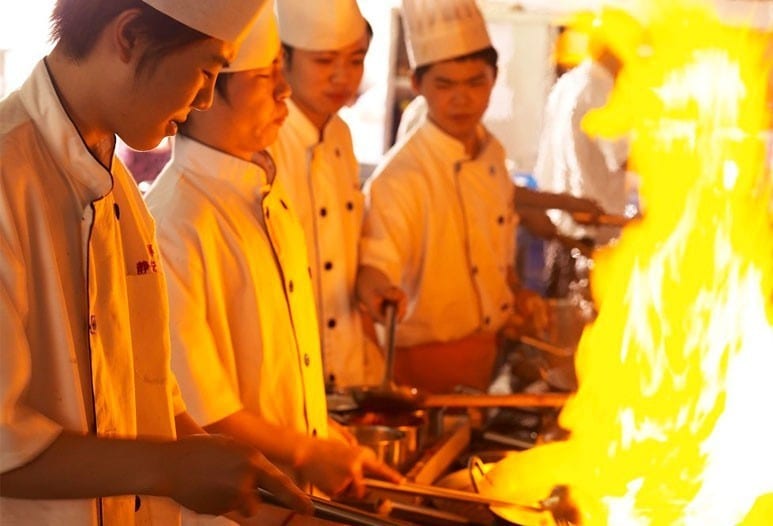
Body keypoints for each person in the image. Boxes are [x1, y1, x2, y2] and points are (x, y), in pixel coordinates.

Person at [0, 0, 314, 524]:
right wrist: (169, 467)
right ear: (129, 37)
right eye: (207, 70)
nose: (206, 99)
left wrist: (225, 466)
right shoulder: (9, 179)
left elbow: (148, 387)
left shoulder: (122, 193)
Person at [144, 6, 401, 511]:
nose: (286, 94)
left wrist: (321, 433)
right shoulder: (175, 223)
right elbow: (203, 410)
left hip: (294, 500)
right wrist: (304, 450)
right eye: (267, 79)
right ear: (204, 93)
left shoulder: (268, 196)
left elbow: (281, 367)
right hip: (232, 511)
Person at [356, 0, 603, 394]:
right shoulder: (400, 178)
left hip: (483, 359)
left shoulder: (492, 154)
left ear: (494, 79)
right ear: (417, 85)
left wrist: (514, 297)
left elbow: (495, 245)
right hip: (418, 370)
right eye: (444, 84)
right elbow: (376, 267)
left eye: (475, 82)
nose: (462, 99)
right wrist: (377, 286)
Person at [268, 0, 383, 391]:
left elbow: (348, 237)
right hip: (287, 377)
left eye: (356, 60)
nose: (342, 77)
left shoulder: (341, 135)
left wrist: (369, 275)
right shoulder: (262, 142)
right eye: (323, 61)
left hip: (347, 372)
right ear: (283, 59)